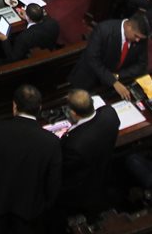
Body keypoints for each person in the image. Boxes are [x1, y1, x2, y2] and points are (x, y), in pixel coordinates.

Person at [0, 84, 61, 234]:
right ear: (40, 107)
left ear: (14, 106)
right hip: (29, 209)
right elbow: (54, 182)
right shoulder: (52, 142)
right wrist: (44, 206)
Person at [56, 89, 120, 219]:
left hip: (83, 186)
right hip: (106, 168)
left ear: (73, 113)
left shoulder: (74, 144)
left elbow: (64, 170)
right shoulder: (110, 114)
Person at [67, 13, 152, 99]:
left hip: (114, 84)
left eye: (140, 38)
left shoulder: (140, 38)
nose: (138, 40)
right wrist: (112, 80)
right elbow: (92, 59)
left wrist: (118, 76)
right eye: (136, 36)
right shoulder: (103, 30)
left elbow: (142, 64)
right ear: (128, 26)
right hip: (90, 79)